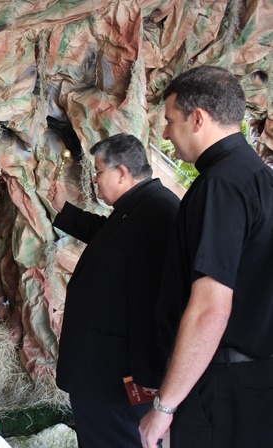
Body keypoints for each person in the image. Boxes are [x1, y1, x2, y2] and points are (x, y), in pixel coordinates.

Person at [139, 66, 273, 448]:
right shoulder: (261, 178)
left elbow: (210, 309)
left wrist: (164, 408)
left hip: (223, 388)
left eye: (170, 121)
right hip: (257, 384)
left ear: (198, 118)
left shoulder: (220, 185)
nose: (165, 133)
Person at [47, 134, 179, 447]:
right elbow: (105, 234)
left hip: (120, 378)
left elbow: (156, 306)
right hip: (103, 372)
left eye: (98, 172)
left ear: (121, 172)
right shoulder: (136, 207)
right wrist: (65, 209)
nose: (94, 180)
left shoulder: (158, 212)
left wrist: (146, 382)